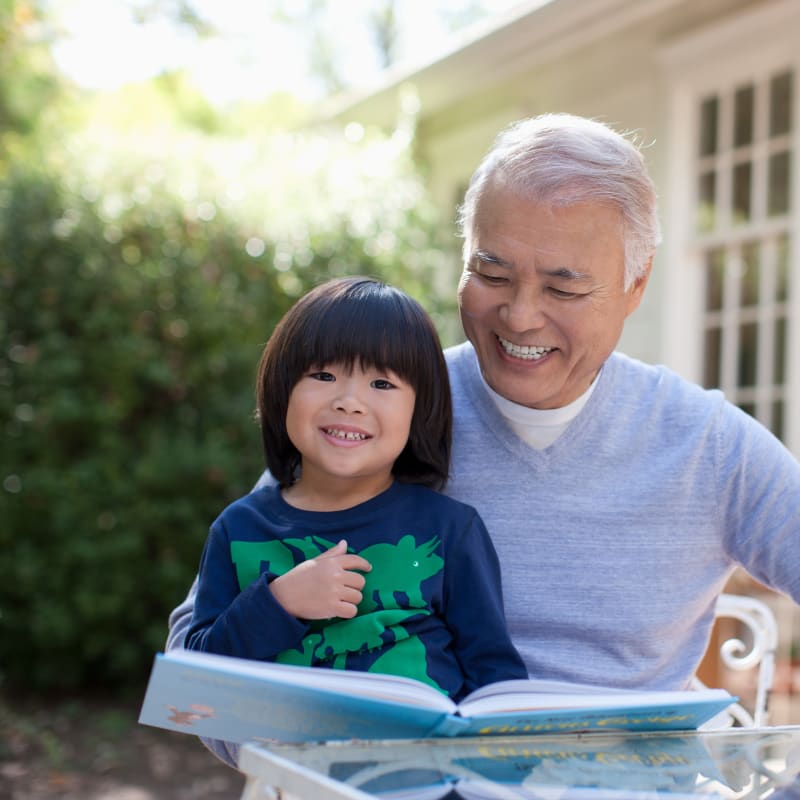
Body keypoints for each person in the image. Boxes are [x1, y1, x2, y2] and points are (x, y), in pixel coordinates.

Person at [168, 114, 800, 761]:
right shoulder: (371, 415)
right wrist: (302, 761)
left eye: (564, 285)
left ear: (635, 285)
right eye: (492, 274)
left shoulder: (708, 445)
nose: (521, 315)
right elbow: (198, 674)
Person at [182, 276, 527, 763]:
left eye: (382, 383)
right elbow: (195, 688)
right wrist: (280, 602)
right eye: (323, 376)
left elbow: (493, 674)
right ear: (283, 390)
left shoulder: (450, 531)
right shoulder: (240, 530)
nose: (349, 400)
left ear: (420, 409)